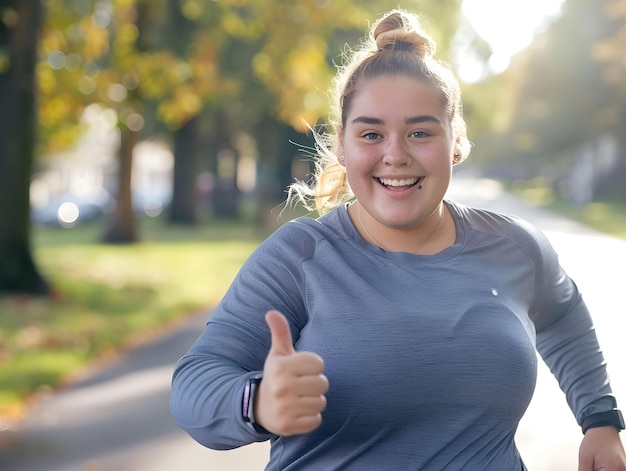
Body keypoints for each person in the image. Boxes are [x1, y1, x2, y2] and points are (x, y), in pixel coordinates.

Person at [170, 9, 626, 470]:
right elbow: (195, 385)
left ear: (456, 142)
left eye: (420, 132)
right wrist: (257, 401)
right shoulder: (300, 256)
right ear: (342, 147)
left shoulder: (515, 247)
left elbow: (563, 313)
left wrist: (600, 420)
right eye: (371, 133)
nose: (396, 155)